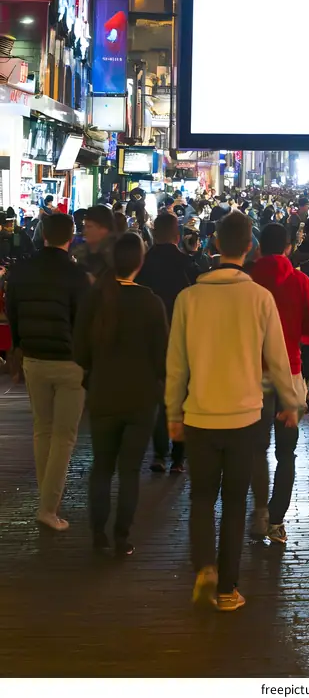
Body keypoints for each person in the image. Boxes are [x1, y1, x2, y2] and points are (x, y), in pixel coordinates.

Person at [165, 211, 299, 611]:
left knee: (202, 496)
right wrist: (291, 403)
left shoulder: (189, 298)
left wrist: (174, 412)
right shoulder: (260, 297)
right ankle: (227, 590)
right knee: (236, 502)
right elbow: (278, 359)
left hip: (200, 414)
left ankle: (204, 565)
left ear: (214, 245)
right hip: (245, 416)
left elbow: (176, 364)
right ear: (250, 249)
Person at [74, 233, 169, 556]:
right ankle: (122, 537)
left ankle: (97, 534)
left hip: (103, 394)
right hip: (141, 399)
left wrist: (95, 372)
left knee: (102, 466)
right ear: (139, 263)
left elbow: (79, 351)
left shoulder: (95, 298)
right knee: (130, 471)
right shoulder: (150, 302)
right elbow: (162, 358)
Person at [5, 212, 89, 531]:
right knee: (64, 437)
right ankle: (48, 507)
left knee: (42, 429)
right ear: (70, 237)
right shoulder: (76, 274)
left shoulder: (22, 269)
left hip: (34, 359)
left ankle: (46, 500)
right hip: (69, 362)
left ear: (43, 235)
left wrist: (19, 345)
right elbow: (84, 320)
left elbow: (12, 311)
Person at [249, 222, 309, 543]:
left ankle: (260, 510)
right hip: (290, 374)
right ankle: (277, 519)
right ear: (289, 248)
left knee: (255, 447)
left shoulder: (248, 281)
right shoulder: (300, 281)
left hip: (252, 375)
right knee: (286, 453)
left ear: (259, 248)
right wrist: (296, 339)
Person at [137, 211, 201, 474]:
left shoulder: (143, 263)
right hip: (182, 335)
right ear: (177, 236)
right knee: (182, 395)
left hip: (151, 338)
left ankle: (160, 453)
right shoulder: (186, 264)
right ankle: (178, 456)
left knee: (160, 398)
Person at [71, 205, 115, 281]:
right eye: (85, 226)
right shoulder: (81, 254)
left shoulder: (115, 259)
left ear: (104, 229)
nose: (85, 231)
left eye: (89, 227)